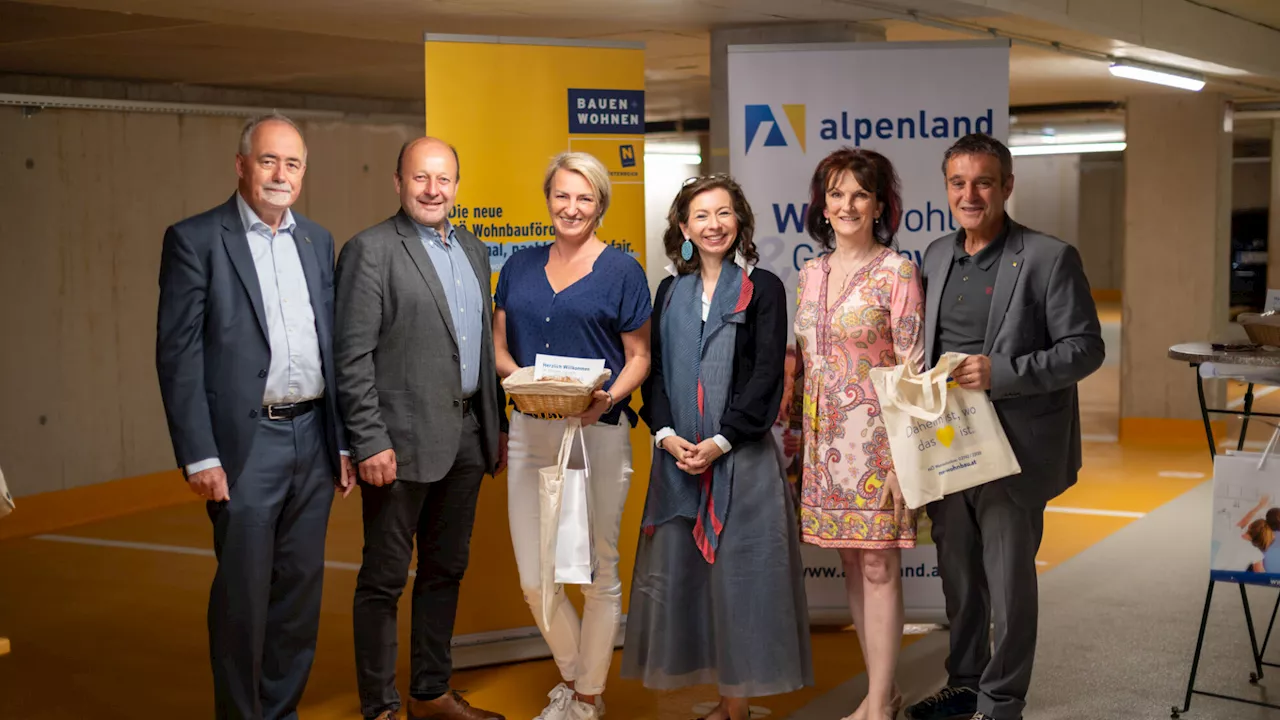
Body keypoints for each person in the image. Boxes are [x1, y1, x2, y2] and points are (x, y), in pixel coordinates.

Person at [155, 112, 354, 720]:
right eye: (268, 160)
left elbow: (333, 346)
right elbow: (178, 354)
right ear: (242, 165)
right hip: (246, 446)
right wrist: (199, 453)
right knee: (243, 598)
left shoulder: (318, 241)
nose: (280, 174)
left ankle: (280, 710)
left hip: (313, 441)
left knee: (298, 597)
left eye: (292, 163)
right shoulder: (195, 239)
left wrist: (342, 442)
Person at [905, 133, 1104, 720]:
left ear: (1006, 186)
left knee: (1009, 585)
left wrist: (1004, 372)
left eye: (983, 182)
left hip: (1015, 449)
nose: (971, 194)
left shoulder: (1048, 256)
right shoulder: (937, 254)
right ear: (946, 189)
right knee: (959, 578)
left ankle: (1002, 702)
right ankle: (965, 682)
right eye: (958, 183)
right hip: (948, 447)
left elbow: (1085, 350)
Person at [622, 174, 813, 720]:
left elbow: (764, 379)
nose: (713, 225)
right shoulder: (669, 293)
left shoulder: (765, 287)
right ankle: (719, 697)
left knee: (740, 582)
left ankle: (737, 705)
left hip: (742, 459)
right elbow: (654, 374)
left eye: (724, 213)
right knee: (686, 582)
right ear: (683, 227)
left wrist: (721, 440)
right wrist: (667, 435)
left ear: (740, 221)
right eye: (701, 216)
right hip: (678, 460)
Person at [335, 137, 508, 720]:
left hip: (465, 436)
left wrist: (494, 427)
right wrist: (369, 440)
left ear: (458, 185)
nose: (433, 190)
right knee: (384, 580)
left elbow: (480, 350)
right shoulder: (371, 250)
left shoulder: (475, 251)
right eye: (420, 178)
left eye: (444, 179)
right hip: (397, 443)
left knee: (444, 571)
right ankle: (380, 708)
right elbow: (352, 357)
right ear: (398, 182)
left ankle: (430, 693)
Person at [493, 151, 651, 720]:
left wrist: (606, 398)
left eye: (584, 197)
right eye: (562, 195)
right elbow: (499, 346)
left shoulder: (623, 271)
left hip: (597, 434)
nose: (572, 207)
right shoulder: (518, 265)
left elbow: (639, 357)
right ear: (548, 200)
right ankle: (576, 676)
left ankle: (585, 700)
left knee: (597, 568)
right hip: (530, 430)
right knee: (537, 579)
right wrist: (524, 384)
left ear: (600, 204)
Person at [792, 148, 923, 720]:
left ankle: (877, 705)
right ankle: (882, 692)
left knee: (878, 566)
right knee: (850, 563)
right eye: (836, 193)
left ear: (878, 205)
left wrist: (902, 458)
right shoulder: (809, 272)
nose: (847, 205)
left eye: (859, 194)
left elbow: (912, 369)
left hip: (877, 445)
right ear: (822, 204)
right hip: (823, 447)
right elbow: (804, 361)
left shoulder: (897, 272)